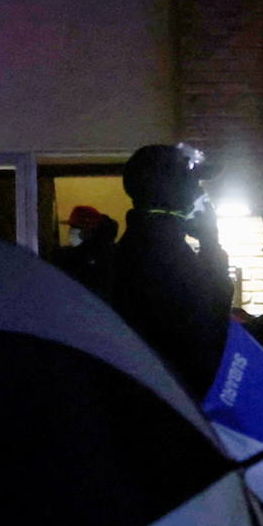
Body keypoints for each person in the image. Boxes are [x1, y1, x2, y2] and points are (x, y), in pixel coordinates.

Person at [113, 143, 235, 400]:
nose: (199, 191)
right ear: (172, 189)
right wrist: (211, 241)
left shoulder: (153, 240)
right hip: (180, 402)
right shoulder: (159, 250)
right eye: (193, 182)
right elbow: (214, 312)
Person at [52, 204, 118, 300]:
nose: (71, 231)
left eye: (76, 227)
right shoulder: (107, 251)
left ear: (90, 230)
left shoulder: (102, 257)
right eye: (71, 227)